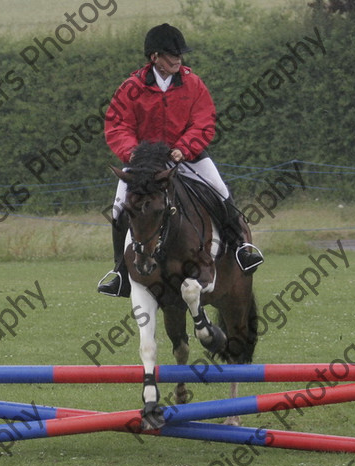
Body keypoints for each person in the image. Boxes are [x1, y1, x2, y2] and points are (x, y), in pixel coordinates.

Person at [98, 23, 263, 297]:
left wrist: (183, 148)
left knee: (221, 191)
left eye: (180, 54)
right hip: (144, 165)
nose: (178, 59)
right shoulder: (131, 88)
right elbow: (117, 127)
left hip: (188, 157)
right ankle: (121, 273)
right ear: (154, 57)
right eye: (171, 55)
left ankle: (241, 248)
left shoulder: (193, 83)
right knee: (118, 209)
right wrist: (135, 154)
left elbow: (204, 121)